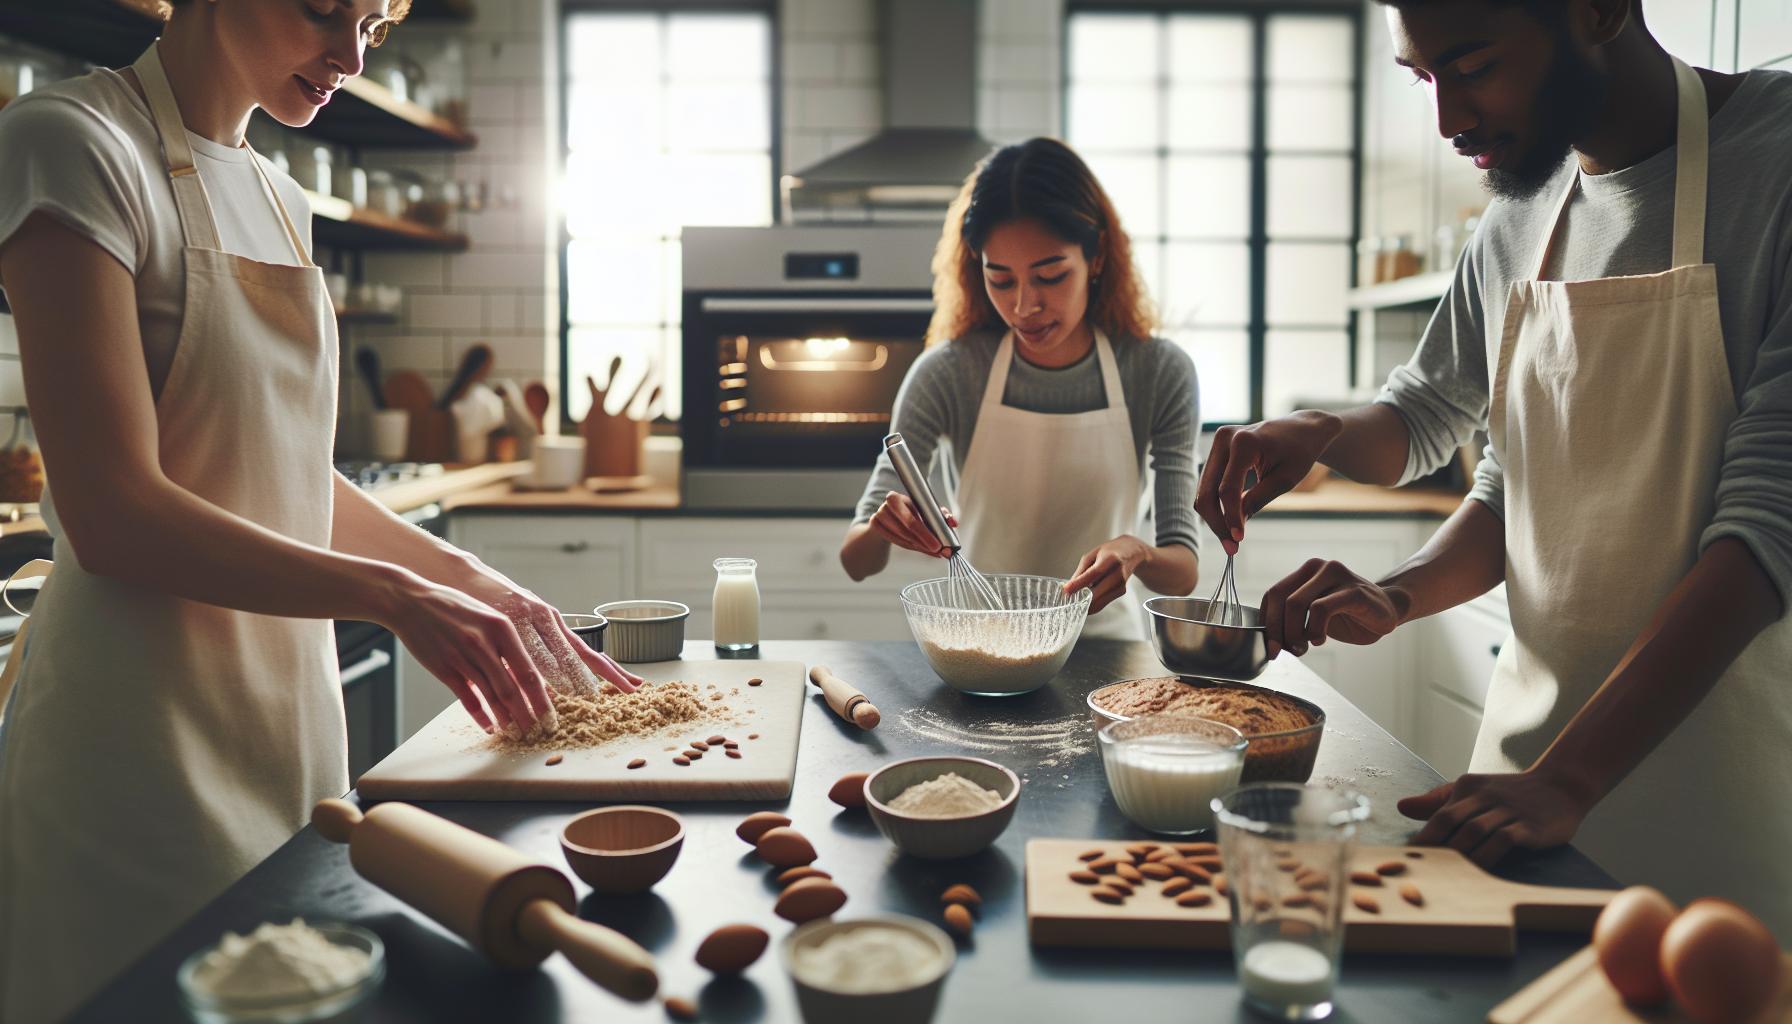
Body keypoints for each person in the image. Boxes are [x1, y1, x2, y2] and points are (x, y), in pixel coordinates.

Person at [0, 1, 641, 1017]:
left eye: (375, 25)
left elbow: (285, 471)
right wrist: (395, 594)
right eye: (322, 10)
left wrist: (468, 578)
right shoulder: (71, 142)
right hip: (133, 740)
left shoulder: (280, 194)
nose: (348, 54)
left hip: (288, 727)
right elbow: (112, 508)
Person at [1198, 0, 1792, 935]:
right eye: (1423, 78)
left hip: (1721, 794)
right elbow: (1461, 444)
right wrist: (1384, 571)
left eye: (1471, 67)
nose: (1447, 119)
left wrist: (1573, 776)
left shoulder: (1782, 161)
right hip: (1519, 786)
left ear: (1598, 11)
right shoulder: (1519, 213)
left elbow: (1769, 524)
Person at [840, 138, 1201, 640]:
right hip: (978, 646)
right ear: (976, 271)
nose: (1024, 306)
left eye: (1050, 276)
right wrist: (884, 527)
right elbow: (856, 561)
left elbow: (1184, 569)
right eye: (1001, 280)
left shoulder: (1158, 371)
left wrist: (1136, 551)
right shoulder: (950, 373)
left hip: (1107, 651)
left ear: (1096, 258)